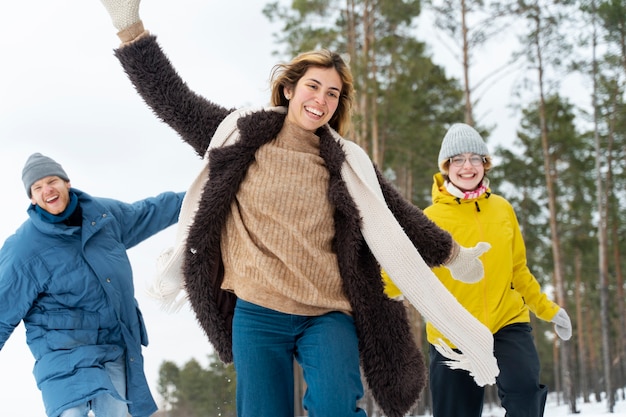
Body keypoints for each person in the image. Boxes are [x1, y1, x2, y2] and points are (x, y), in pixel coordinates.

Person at [97, 2, 500, 416]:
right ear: (290, 88)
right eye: (313, 86)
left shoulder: (347, 163)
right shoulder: (240, 137)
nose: (320, 99)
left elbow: (398, 214)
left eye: (332, 93)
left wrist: (453, 255)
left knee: (336, 408)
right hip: (257, 311)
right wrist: (130, 29)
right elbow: (173, 101)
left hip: (327, 313)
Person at [385, 123, 573, 417]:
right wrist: (369, 298)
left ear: (485, 164)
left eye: (475, 158)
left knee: (525, 393)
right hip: (452, 331)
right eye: (458, 159)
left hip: (506, 321)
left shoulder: (502, 209)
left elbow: (518, 270)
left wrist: (548, 309)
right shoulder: (429, 218)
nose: (467, 166)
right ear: (446, 166)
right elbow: (402, 273)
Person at [0, 153, 185, 417]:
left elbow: (149, 212)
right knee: (71, 414)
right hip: (62, 351)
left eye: (52, 181)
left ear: (67, 183)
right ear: (32, 198)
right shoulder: (24, 249)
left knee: (117, 413)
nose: (47, 190)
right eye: (38, 187)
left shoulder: (104, 216)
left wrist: (201, 195)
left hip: (112, 345)